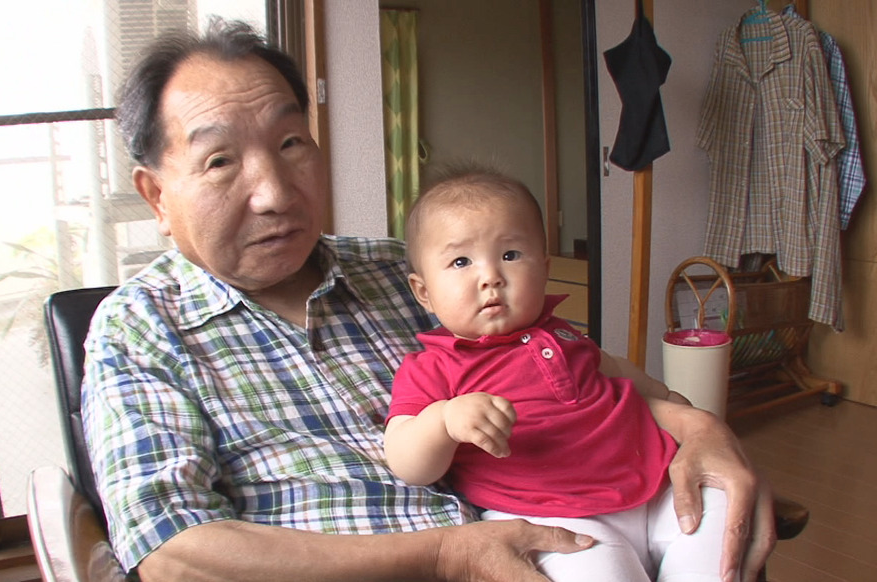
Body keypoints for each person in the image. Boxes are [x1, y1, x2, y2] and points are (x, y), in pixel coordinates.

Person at [80, 17, 775, 582]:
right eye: (221, 161)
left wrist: (697, 427)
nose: (275, 191)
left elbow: (573, 378)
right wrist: (445, 554)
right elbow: (173, 551)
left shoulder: (402, 270)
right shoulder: (141, 329)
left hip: (554, 538)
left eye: (291, 143)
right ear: (155, 197)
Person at [385, 166, 734, 581]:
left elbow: (617, 369)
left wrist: (673, 401)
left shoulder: (563, 333)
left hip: (656, 484)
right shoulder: (433, 367)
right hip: (556, 522)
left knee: (722, 519)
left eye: (511, 255)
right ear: (423, 291)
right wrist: (444, 421)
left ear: (544, 267)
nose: (491, 277)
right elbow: (406, 461)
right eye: (461, 261)